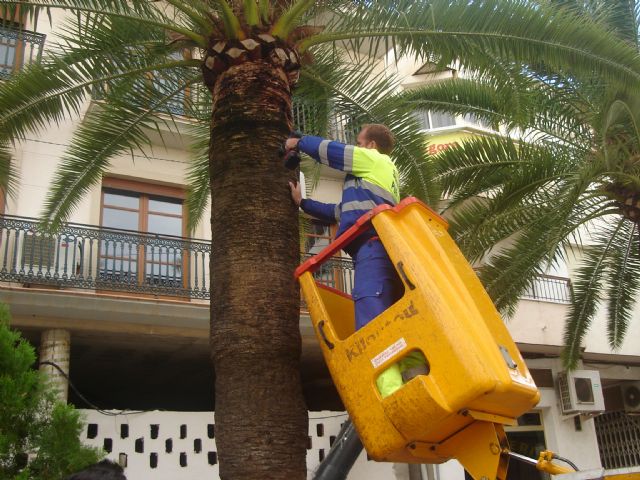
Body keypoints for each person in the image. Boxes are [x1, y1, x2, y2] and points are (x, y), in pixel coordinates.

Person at [287, 124, 425, 398]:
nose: (356, 147)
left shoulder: (373, 159)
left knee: (372, 326)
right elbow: (340, 212)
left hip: (372, 251)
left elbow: (333, 152)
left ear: (371, 145)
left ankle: (390, 396)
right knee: (392, 321)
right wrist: (303, 203)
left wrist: (297, 142)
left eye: (359, 142)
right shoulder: (381, 178)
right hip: (381, 251)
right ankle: (416, 384)